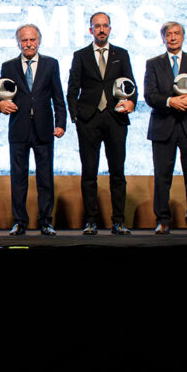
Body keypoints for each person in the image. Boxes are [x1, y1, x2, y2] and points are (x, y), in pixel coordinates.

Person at [65, 12, 135, 235]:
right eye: (97, 26)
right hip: (88, 120)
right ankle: (91, 221)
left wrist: (132, 102)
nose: (101, 29)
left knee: (117, 173)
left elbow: (131, 83)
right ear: (90, 30)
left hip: (116, 118)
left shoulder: (121, 54)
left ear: (110, 29)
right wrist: (75, 116)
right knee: (89, 173)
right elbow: (72, 88)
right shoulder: (81, 55)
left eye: (105, 26)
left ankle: (119, 221)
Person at [0, 24, 65, 236]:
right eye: (24, 40)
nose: (28, 44)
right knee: (19, 179)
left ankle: (46, 221)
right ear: (18, 42)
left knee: (45, 178)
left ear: (39, 41)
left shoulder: (51, 64)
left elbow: (58, 97)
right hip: (19, 129)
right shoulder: (8, 66)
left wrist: (61, 123)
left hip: (44, 130)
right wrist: (0, 105)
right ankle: (19, 222)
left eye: (32, 40)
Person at [144, 21, 187, 234]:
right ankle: (162, 220)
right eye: (168, 34)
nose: (173, 37)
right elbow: (150, 95)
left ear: (183, 36)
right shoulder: (153, 63)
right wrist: (170, 102)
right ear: (163, 38)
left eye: (176, 33)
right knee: (162, 176)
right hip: (164, 126)